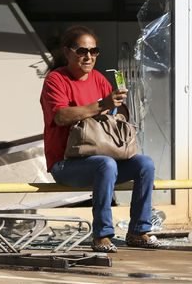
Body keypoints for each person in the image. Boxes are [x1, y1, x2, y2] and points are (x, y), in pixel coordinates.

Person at [40, 25, 159, 253]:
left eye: (94, 51)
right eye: (81, 51)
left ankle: (139, 230)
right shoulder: (56, 80)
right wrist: (101, 105)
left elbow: (115, 115)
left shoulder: (99, 79)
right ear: (67, 52)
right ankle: (101, 235)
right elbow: (61, 116)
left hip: (105, 162)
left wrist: (119, 109)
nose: (88, 56)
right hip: (67, 165)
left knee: (145, 164)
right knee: (105, 164)